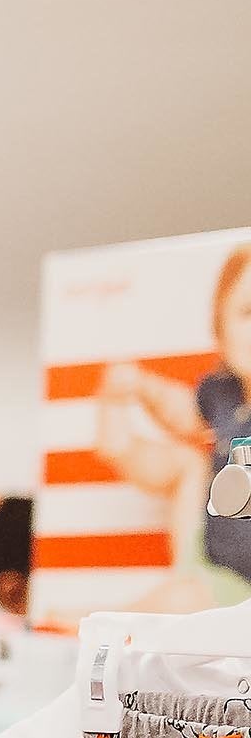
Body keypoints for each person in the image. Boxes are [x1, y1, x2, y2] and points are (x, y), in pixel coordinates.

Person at [94, 241, 251, 591]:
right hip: (218, 570)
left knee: (182, 601)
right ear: (221, 328)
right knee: (188, 462)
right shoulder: (223, 391)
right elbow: (184, 413)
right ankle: (119, 446)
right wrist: (142, 386)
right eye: (247, 312)